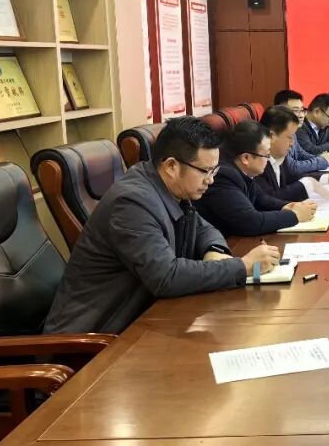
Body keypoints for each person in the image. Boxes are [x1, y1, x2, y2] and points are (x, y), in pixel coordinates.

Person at [44, 117, 281, 334]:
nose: (211, 180)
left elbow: (204, 228)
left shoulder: (170, 187)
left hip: (141, 321)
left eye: (214, 170)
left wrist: (214, 251)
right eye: (205, 171)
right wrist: (242, 266)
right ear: (171, 166)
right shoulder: (131, 203)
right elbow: (166, 277)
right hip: (94, 339)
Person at [196, 119, 317, 236]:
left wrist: (287, 206)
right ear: (246, 158)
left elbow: (261, 199)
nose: (268, 160)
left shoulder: (243, 172)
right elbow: (250, 222)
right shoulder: (223, 176)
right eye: (266, 155)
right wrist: (294, 215)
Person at [257, 105, 320, 205]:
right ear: (271, 136)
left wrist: (323, 179)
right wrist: (307, 184)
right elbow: (269, 200)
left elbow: (293, 177)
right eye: (290, 137)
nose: (292, 143)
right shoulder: (257, 161)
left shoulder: (281, 156)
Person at [273, 88, 329, 175]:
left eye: (302, 110)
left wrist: (321, 157)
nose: (301, 115)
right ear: (279, 111)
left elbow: (301, 154)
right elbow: (291, 167)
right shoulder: (277, 134)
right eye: (295, 111)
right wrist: (322, 161)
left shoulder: (292, 132)